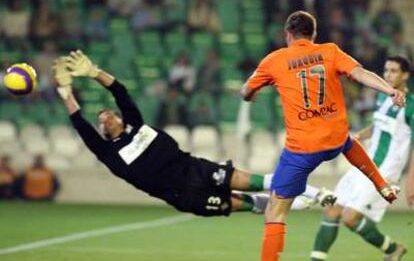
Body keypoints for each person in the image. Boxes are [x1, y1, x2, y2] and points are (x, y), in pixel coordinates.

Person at [52, 50, 336, 217]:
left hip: (195, 168)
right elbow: (79, 123)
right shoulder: (107, 152)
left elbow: (120, 92)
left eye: (109, 114)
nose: (106, 119)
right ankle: (293, 201)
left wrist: (94, 73)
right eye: (101, 121)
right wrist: (65, 92)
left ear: (118, 116)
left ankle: (314, 193)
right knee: (248, 204)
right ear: (101, 131)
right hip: (183, 195)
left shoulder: (136, 124)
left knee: (257, 181)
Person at [240, 11, 404, 261]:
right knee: (348, 142)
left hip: (302, 149)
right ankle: (381, 183)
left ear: (288, 34)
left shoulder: (274, 60)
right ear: (313, 34)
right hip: (334, 140)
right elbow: (360, 73)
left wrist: (252, 94)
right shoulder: (329, 51)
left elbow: (245, 91)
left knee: (275, 211)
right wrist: (390, 89)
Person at [310, 56, 413, 261]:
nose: (388, 75)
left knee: (350, 217)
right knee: (332, 209)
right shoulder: (384, 97)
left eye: (393, 71)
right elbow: (378, 127)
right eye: (386, 70)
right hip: (365, 164)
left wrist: (411, 181)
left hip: (385, 170)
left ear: (405, 75)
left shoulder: (409, 106)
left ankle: (392, 248)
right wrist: (356, 137)